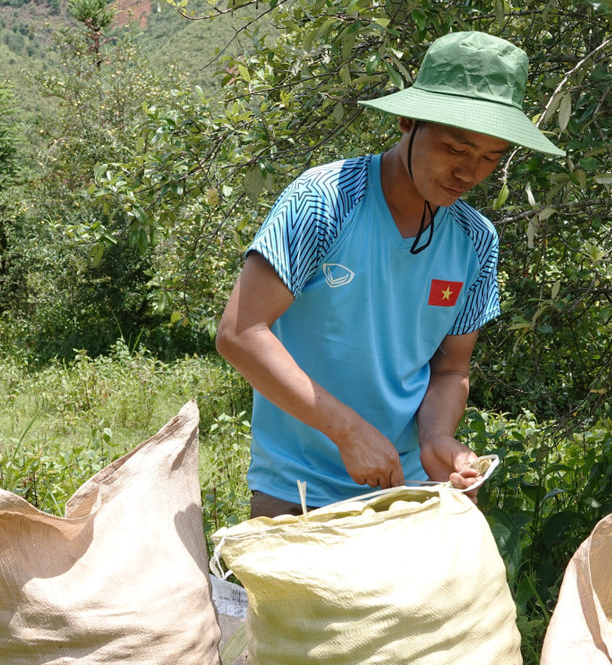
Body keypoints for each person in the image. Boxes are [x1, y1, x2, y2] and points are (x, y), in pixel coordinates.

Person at [215, 31, 564, 518]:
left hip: (404, 490)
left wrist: (437, 437)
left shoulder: (476, 241)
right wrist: (347, 431)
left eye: (490, 158)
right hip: (295, 490)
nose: (469, 173)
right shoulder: (326, 201)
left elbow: (450, 369)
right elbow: (241, 333)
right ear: (406, 121)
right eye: (455, 148)